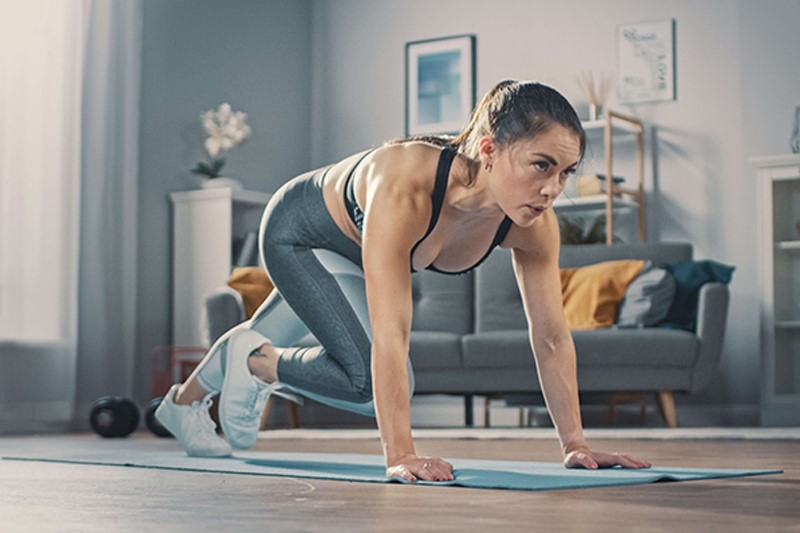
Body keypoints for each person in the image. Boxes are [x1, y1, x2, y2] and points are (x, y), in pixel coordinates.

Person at [155, 79, 651, 482]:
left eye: (565, 172)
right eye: (541, 165)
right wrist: (401, 454)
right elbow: (390, 332)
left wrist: (575, 445)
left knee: (303, 341)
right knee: (371, 382)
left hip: (346, 256)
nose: (553, 189)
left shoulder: (533, 226)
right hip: (301, 235)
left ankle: (180, 405)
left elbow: (550, 337)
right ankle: (258, 363)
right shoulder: (408, 188)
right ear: (489, 149)